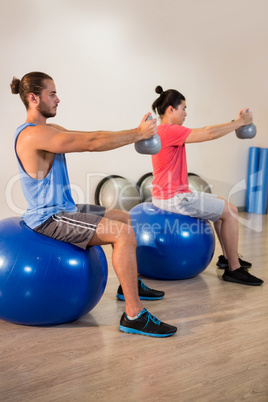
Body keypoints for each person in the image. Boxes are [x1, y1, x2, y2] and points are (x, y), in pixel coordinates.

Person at [10, 72, 177, 337]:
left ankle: (128, 285)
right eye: (52, 94)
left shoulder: (50, 130)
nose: (58, 99)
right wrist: (137, 134)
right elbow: (90, 144)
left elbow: (94, 135)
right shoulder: (32, 136)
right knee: (122, 234)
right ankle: (134, 316)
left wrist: (134, 133)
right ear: (33, 98)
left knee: (124, 218)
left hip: (65, 207)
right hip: (48, 217)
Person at [151, 85, 263, 286]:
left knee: (222, 207)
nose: (186, 113)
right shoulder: (170, 130)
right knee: (232, 211)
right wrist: (239, 123)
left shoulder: (161, 130)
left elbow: (209, 131)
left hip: (168, 195)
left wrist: (233, 123)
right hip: (175, 199)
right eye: (183, 108)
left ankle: (228, 258)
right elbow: (208, 133)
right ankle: (234, 269)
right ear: (170, 110)